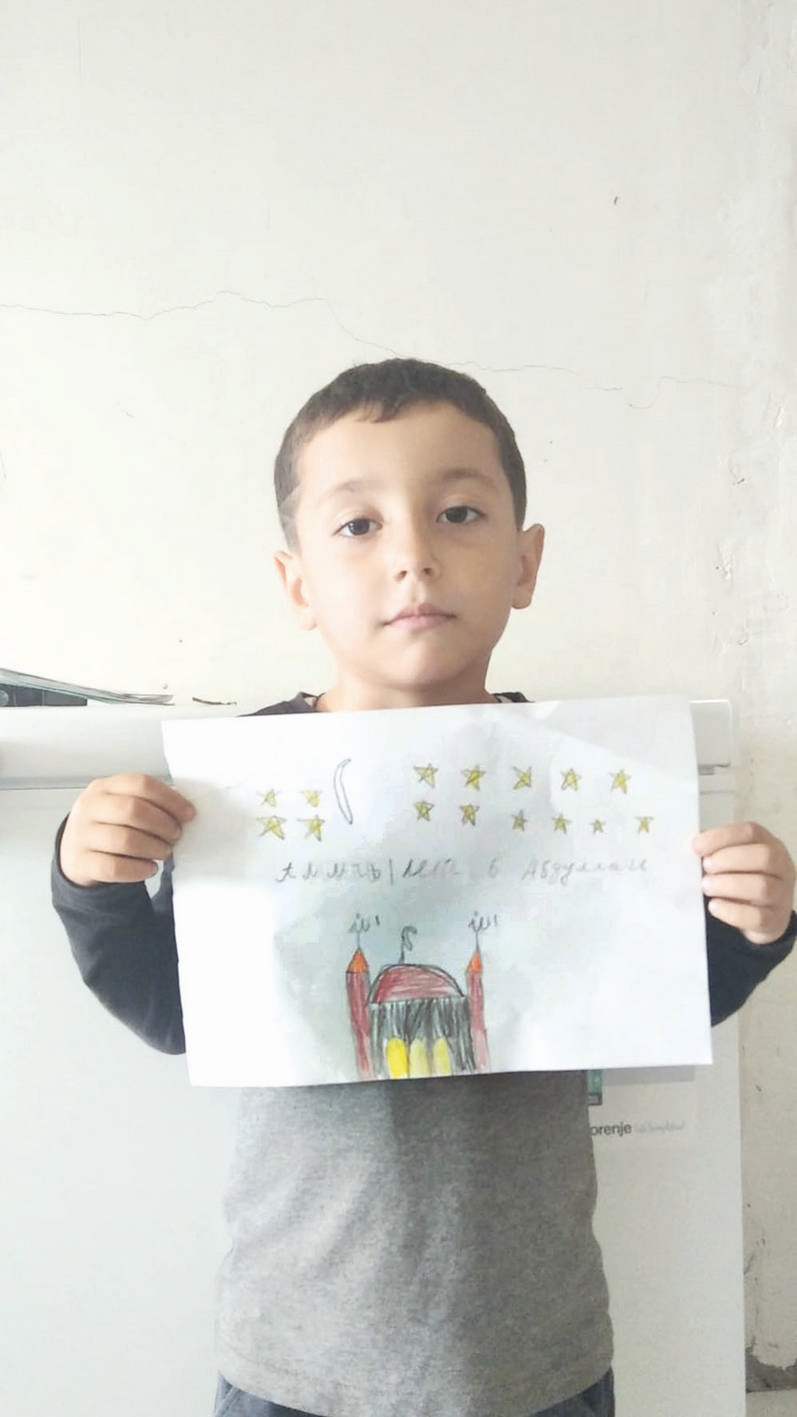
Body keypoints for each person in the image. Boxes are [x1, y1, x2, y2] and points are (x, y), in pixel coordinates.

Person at [52, 358, 796, 1417]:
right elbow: (179, 1014)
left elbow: (640, 1002)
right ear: (298, 583)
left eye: (456, 512)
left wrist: (748, 926)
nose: (412, 555)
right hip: (296, 1358)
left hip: (535, 1357)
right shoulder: (240, 790)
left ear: (524, 562)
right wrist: (92, 882)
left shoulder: (584, 784)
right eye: (358, 525)